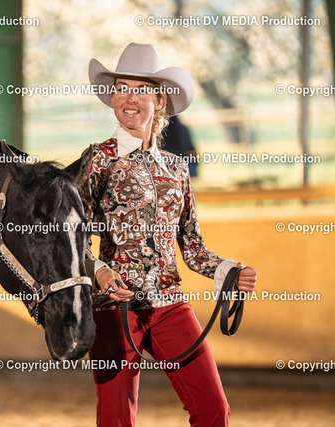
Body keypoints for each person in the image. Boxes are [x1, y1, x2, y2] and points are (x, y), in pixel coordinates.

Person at [79, 43, 258, 426]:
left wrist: (229, 270)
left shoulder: (177, 168)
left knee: (213, 409)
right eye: (122, 88)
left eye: (141, 90)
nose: (130, 98)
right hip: (115, 309)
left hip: (169, 306)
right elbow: (73, 239)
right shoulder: (98, 160)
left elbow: (192, 248)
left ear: (159, 101)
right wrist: (100, 272)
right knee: (116, 419)